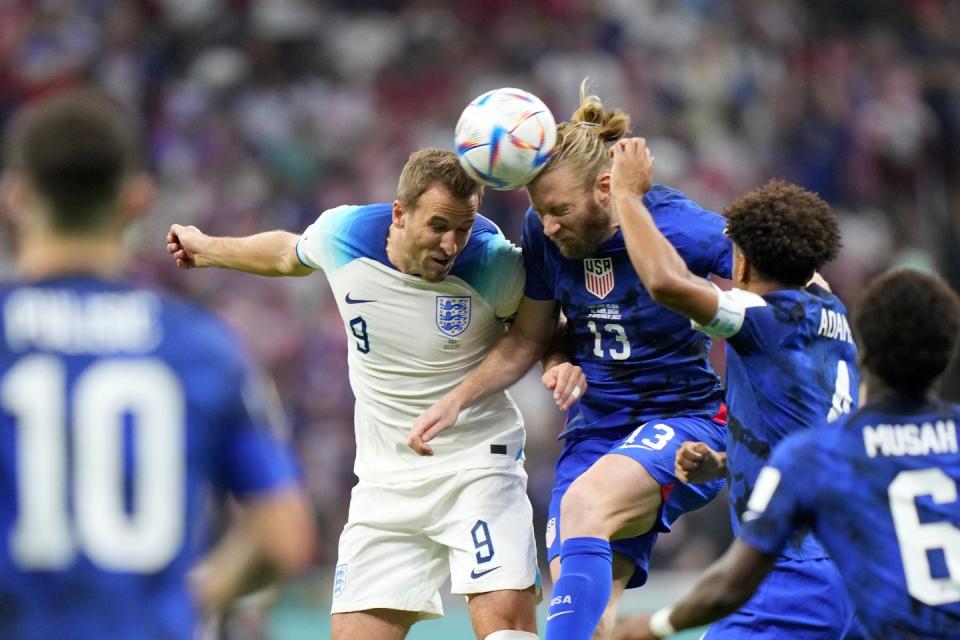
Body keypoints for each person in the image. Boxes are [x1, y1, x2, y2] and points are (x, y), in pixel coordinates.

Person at [166, 148, 550, 640]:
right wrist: (206, 248)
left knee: (506, 634)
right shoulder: (343, 235)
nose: (452, 243)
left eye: (464, 226)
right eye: (438, 225)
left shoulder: (493, 265)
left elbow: (537, 333)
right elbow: (289, 253)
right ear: (399, 213)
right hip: (384, 483)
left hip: (479, 467)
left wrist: (483, 390)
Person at [411, 83, 731, 640]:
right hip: (595, 434)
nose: (549, 225)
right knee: (591, 622)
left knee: (585, 505)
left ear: (606, 190)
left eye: (560, 210)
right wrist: (460, 398)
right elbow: (529, 338)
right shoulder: (542, 234)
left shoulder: (674, 224)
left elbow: (773, 274)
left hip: (684, 424)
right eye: (541, 212)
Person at [0, 89, 315, 638]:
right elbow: (281, 536)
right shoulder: (201, 347)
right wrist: (201, 591)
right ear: (138, 201)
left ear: (15, 196)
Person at [614, 267, 960, 640]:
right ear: (947, 353)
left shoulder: (822, 454)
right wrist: (722, 465)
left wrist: (652, 626)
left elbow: (731, 585)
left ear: (866, 354)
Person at [606, 138, 859, 637]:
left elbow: (665, 283)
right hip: (846, 561)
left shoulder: (764, 317)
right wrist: (726, 463)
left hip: (790, 573)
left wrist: (628, 197)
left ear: (740, 264)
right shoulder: (832, 312)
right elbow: (814, 434)